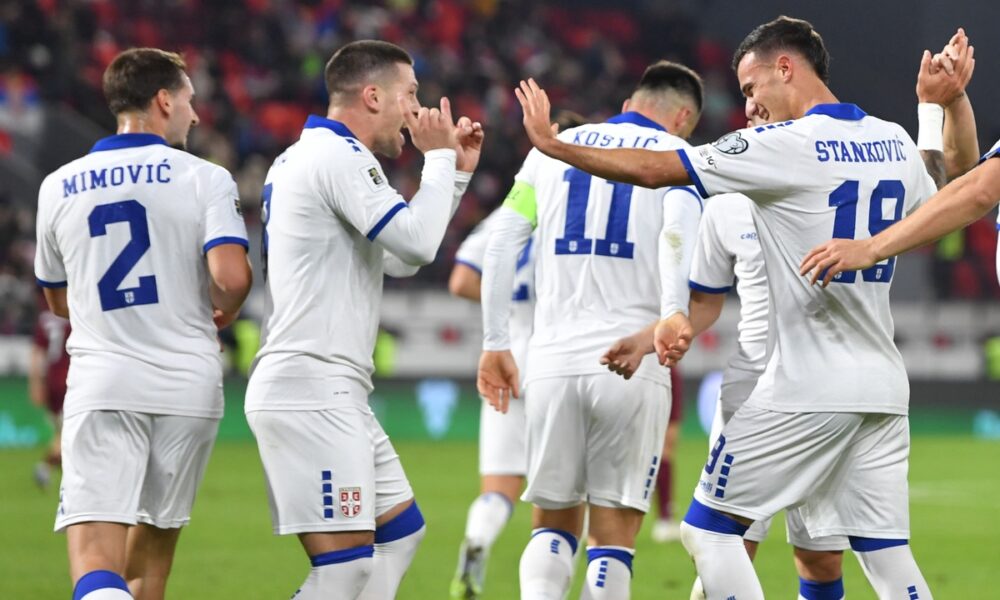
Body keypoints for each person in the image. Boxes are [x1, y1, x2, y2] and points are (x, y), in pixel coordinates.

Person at [514, 16, 976, 600]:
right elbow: (949, 183)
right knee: (884, 554)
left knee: (707, 534)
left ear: (786, 68)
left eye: (752, 87)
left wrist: (556, 145)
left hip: (800, 385)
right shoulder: (890, 139)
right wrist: (942, 105)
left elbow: (661, 170)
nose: (750, 102)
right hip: (882, 384)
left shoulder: (784, 146)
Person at [244, 40, 483, 599]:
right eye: (412, 94)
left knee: (400, 536)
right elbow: (419, 248)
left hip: (329, 388)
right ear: (373, 96)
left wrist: (457, 179)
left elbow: (398, 258)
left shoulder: (314, 155)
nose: (418, 110)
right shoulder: (338, 156)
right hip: (310, 387)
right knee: (346, 566)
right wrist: (440, 158)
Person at [478, 60, 706, 600]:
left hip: (553, 360)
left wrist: (494, 342)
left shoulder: (555, 147)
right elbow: (677, 235)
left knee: (552, 524)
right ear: (681, 118)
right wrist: (673, 311)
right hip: (633, 360)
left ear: (630, 103)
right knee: (613, 539)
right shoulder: (680, 156)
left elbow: (502, 242)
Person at [34, 48, 252, 600]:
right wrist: (214, 303)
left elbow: (57, 301)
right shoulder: (207, 178)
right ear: (163, 101)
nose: (195, 115)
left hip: (106, 383)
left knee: (94, 560)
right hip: (189, 389)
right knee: (148, 569)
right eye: (188, 101)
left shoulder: (58, 186)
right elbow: (232, 278)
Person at [447, 108, 586, 600]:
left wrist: (504, 301)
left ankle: (477, 540)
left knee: (499, 485)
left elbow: (461, 278)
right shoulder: (575, 215)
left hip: (506, 353)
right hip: (559, 357)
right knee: (566, 500)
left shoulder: (505, 216)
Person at [28, 295, 71, 489]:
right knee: (68, 433)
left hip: (51, 380)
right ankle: (45, 467)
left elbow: (37, 354)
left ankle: (65, 478)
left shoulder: (45, 319)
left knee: (62, 431)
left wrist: (36, 383)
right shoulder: (78, 313)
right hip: (72, 378)